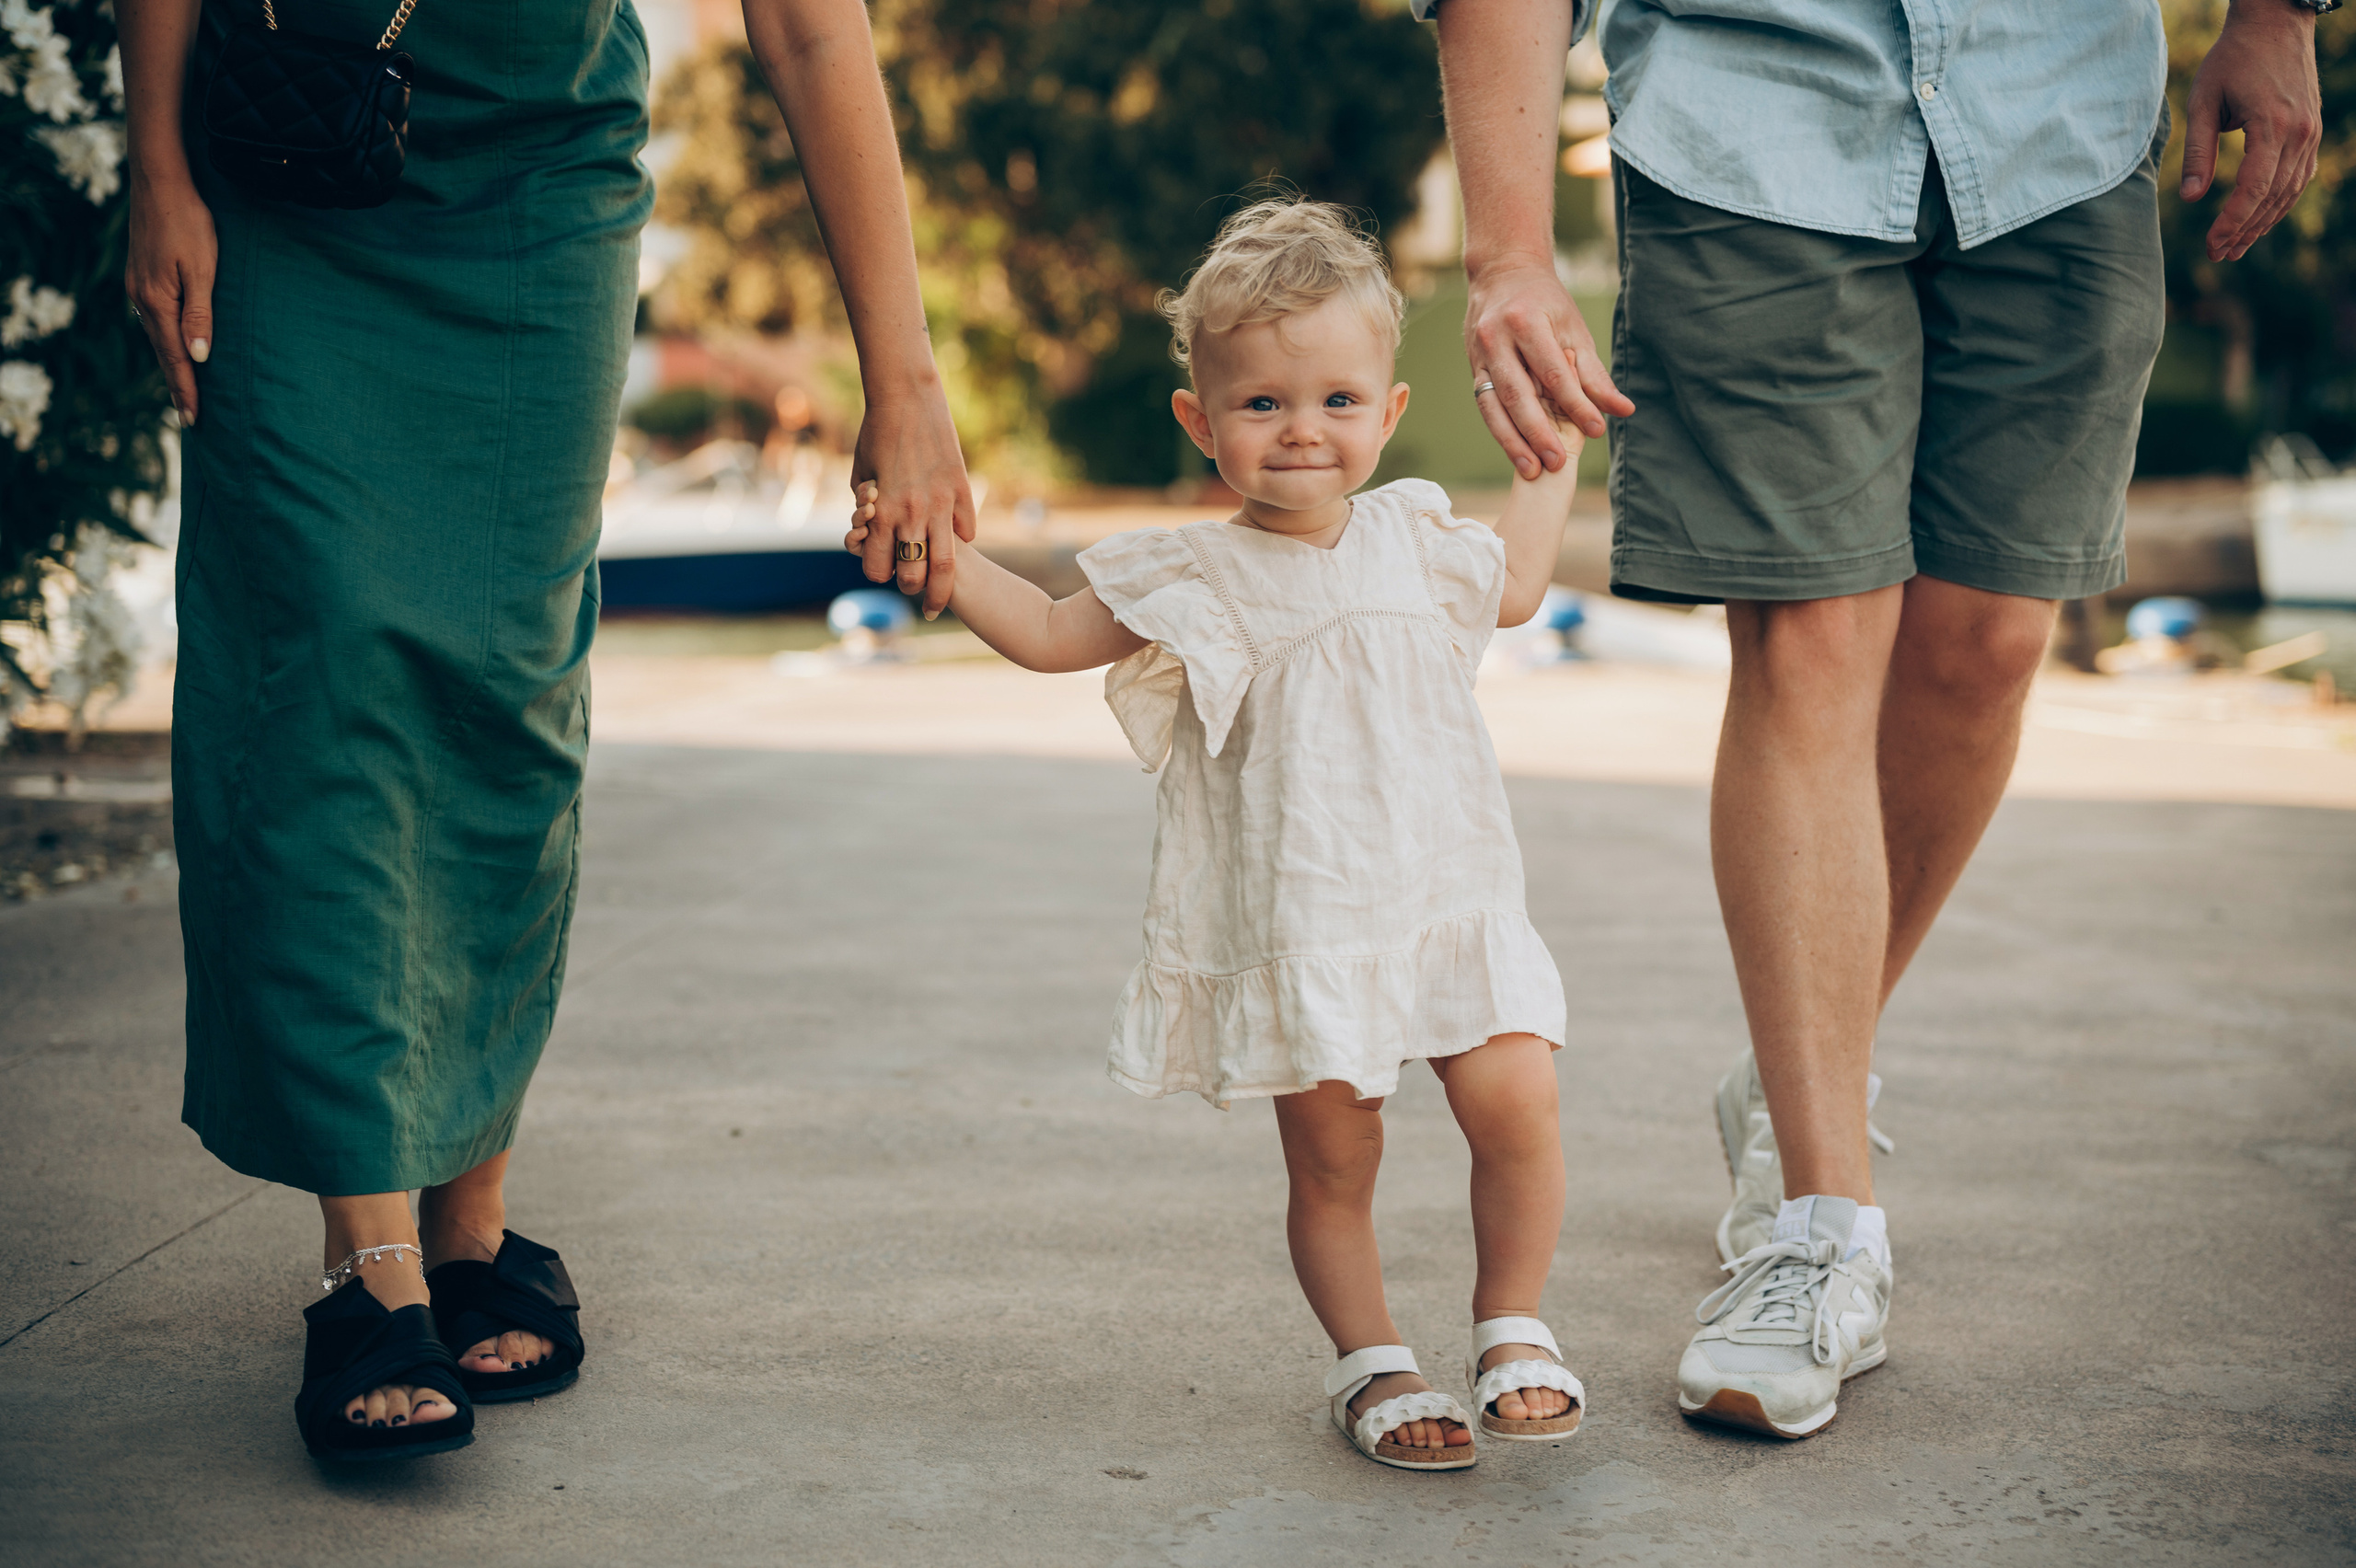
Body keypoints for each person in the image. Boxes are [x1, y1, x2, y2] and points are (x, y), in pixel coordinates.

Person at [1417, 0, 2327, 1439]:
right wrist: (1510, 250)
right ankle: (1817, 1231)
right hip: (1748, 120)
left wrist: (2277, 13)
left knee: (1990, 641)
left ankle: (1795, 1072)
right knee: (1811, 631)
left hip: (2059, 117)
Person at [121, 0, 973, 1461]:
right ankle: (370, 1260)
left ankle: (470, 1225)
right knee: (322, 671)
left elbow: (814, 30)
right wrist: (156, 168)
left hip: (537, 185)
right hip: (282, 143)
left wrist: (903, 380)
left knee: (502, 693)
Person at [849, 199, 1588, 1470]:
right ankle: (1373, 1361)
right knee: (1335, 1159)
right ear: (1201, 419)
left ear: (1389, 412)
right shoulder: (1191, 573)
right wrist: (936, 558)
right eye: (1262, 406)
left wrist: (1555, 437)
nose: (1304, 429)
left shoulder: (1416, 537)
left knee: (1520, 1100)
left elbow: (1518, 588)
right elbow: (1043, 635)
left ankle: (1512, 1320)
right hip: (1308, 918)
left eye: (1339, 402)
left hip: (1453, 893)